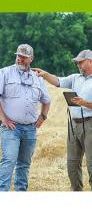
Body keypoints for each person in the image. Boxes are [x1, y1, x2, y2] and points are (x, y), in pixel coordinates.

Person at [0, 44, 51, 191]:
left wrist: (43, 116)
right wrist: (3, 119)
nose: (20, 59)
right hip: (11, 128)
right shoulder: (4, 73)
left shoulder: (37, 78)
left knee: (24, 164)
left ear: (31, 58)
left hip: (30, 129)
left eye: (23, 56)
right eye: (18, 55)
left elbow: (47, 100)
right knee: (9, 160)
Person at [33, 49, 92, 191]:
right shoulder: (75, 78)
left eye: (81, 62)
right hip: (73, 125)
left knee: (91, 164)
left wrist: (85, 103)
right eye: (77, 62)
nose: (78, 65)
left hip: (90, 125)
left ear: (90, 61)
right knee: (72, 163)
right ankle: (76, 192)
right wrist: (45, 74)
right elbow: (58, 81)